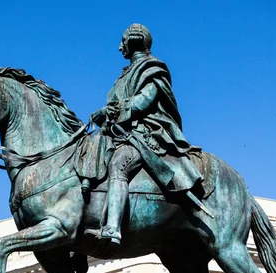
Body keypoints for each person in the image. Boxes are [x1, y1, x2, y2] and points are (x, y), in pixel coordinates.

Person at [83, 23, 204, 245]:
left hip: (144, 133)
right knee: (85, 160)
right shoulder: (124, 75)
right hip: (117, 132)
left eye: (123, 41)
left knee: (119, 165)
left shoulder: (153, 69)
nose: (120, 48)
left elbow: (143, 102)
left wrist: (112, 111)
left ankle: (112, 228)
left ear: (135, 41)